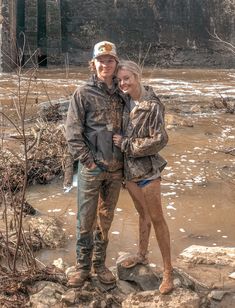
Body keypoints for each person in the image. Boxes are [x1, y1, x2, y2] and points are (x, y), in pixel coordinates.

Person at [65, 41, 125, 287]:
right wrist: (88, 162)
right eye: (101, 60)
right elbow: (72, 132)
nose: (106, 64)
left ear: (116, 64)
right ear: (93, 63)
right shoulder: (83, 93)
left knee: (106, 219)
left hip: (116, 169)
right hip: (92, 168)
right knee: (85, 219)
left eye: (110, 60)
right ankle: (81, 268)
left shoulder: (123, 93)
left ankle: (100, 265)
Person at [113, 60, 174, 294]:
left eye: (127, 78)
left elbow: (160, 140)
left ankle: (168, 271)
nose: (123, 83)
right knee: (142, 216)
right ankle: (141, 255)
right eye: (120, 80)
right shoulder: (125, 101)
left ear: (137, 77)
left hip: (148, 171)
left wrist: (127, 144)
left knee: (158, 219)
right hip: (129, 173)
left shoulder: (153, 105)